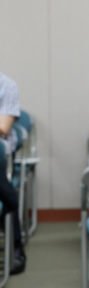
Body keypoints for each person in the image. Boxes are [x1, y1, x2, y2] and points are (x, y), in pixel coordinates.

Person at [0, 71, 26, 274]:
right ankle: (9, 197)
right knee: (7, 193)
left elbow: (3, 128)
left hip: (1, 156)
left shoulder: (7, 85)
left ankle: (16, 244)